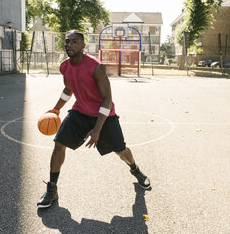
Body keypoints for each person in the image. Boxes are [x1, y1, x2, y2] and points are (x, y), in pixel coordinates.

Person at [37, 30, 150, 209]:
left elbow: (107, 99)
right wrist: (56, 109)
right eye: (67, 42)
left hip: (103, 116)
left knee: (121, 150)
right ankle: (52, 188)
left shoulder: (97, 67)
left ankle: (135, 169)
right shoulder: (65, 66)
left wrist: (97, 129)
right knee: (59, 144)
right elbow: (68, 90)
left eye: (74, 42)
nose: (70, 45)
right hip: (80, 113)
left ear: (83, 45)